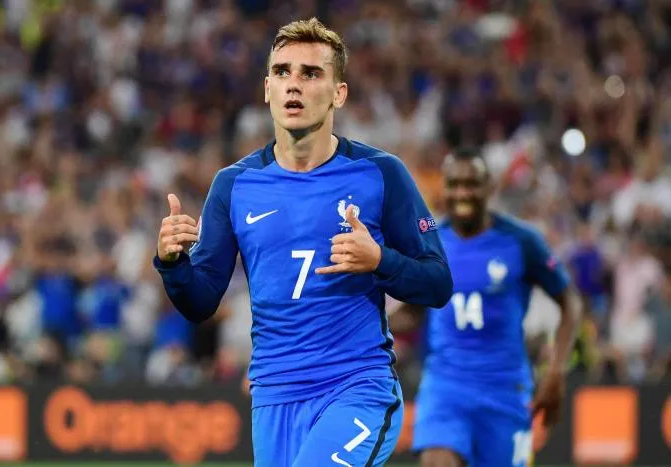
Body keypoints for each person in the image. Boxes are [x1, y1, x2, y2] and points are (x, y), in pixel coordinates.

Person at [153, 18, 453, 467]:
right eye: (282, 72)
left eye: (311, 73)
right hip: (274, 397)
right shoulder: (234, 185)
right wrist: (173, 262)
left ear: (338, 93)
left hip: (356, 387)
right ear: (267, 89)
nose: (293, 84)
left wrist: (380, 260)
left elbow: (438, 283)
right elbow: (200, 302)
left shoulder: (380, 173)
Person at [392, 148, 580, 467]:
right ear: (443, 188)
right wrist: (368, 323)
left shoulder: (521, 241)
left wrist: (556, 372)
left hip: (504, 390)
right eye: (454, 184)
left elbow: (569, 302)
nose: (462, 193)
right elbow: (413, 310)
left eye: (471, 184)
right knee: (437, 460)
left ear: (489, 187)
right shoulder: (429, 245)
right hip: (446, 387)